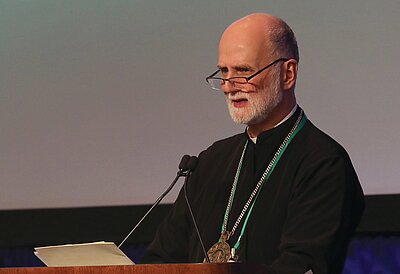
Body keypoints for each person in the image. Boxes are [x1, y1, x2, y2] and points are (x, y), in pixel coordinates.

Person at [141, 13, 364, 274]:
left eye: (244, 71)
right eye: (224, 71)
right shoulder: (210, 161)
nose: (228, 86)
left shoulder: (324, 164)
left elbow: (301, 264)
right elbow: (160, 260)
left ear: (287, 73)